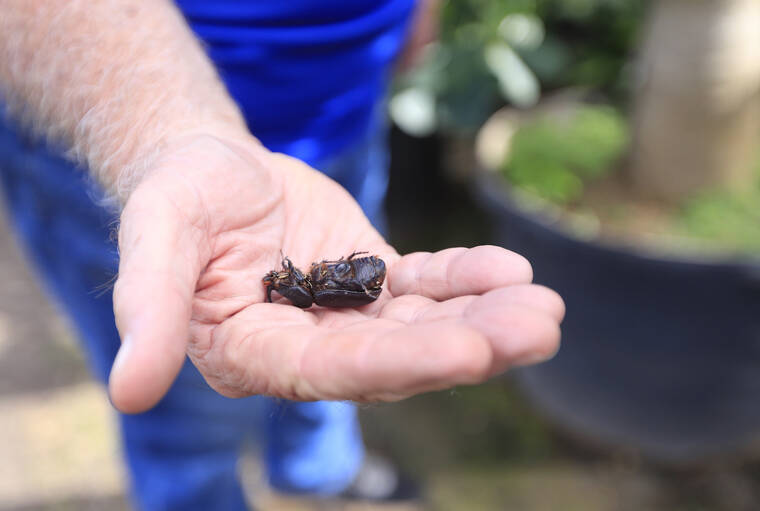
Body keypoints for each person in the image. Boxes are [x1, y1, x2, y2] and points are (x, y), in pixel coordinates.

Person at [0, 1, 565, 509]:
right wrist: (164, 131)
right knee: (185, 420)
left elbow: (348, 281)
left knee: (325, 380)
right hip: (129, 129)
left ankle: (319, 471)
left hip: (347, 109)